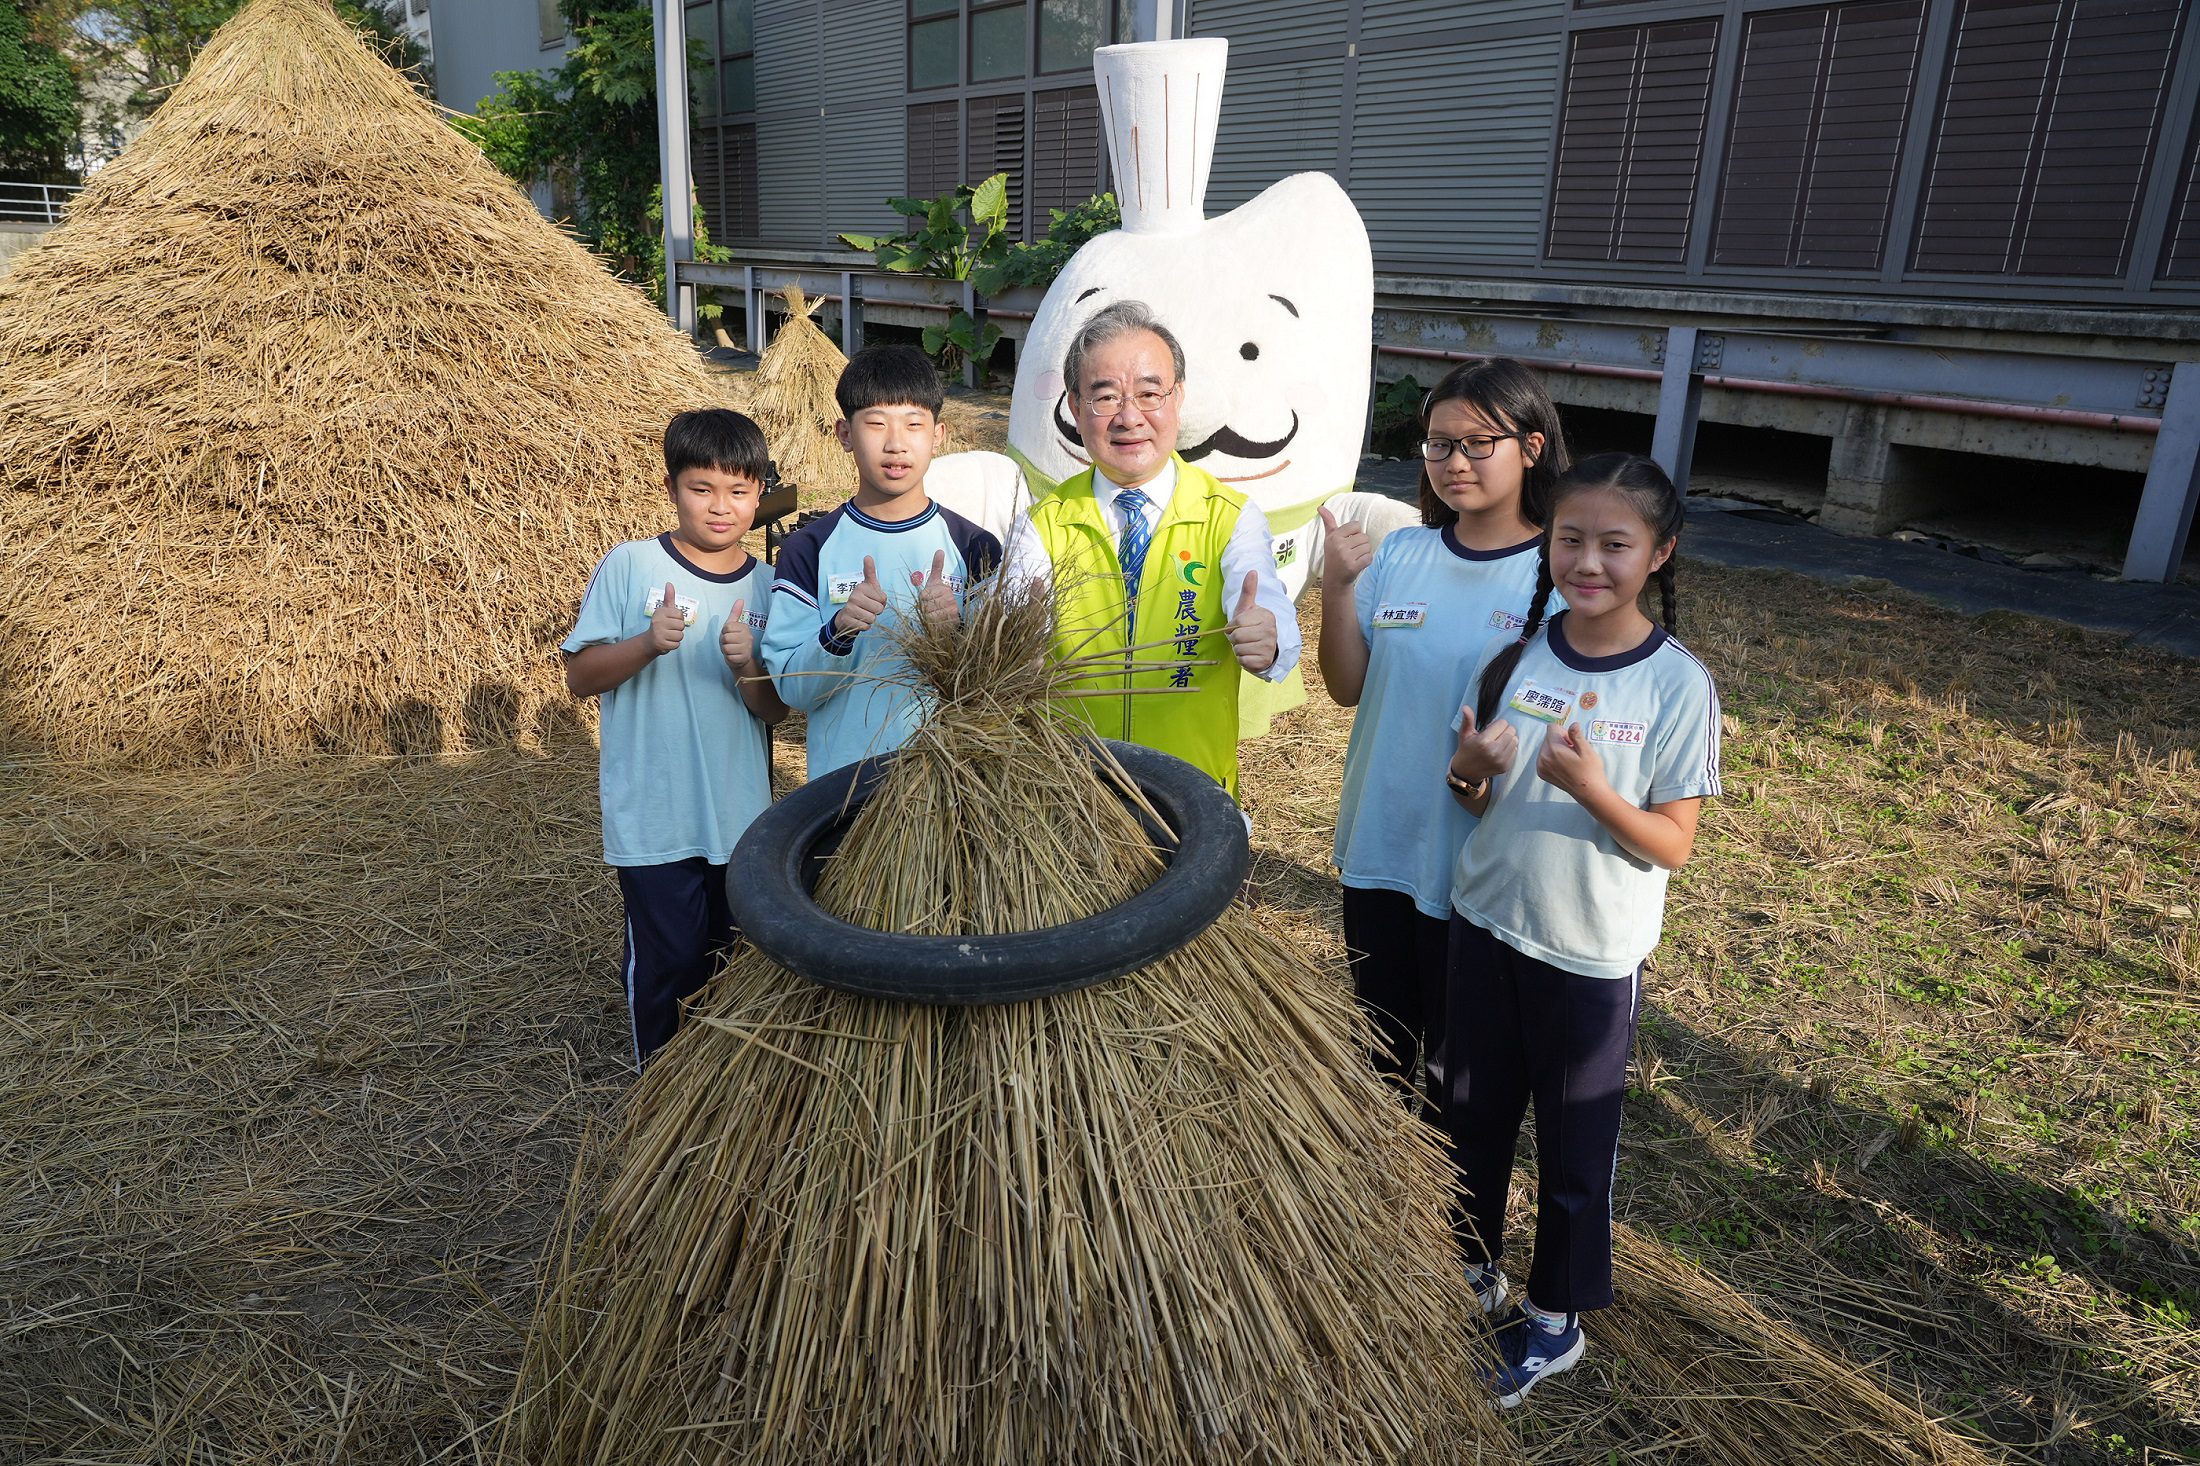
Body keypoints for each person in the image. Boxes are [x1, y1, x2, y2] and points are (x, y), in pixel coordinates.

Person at [1441, 452, 1721, 1405]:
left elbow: (1673, 844)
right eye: (1570, 539)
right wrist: (1470, 768)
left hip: (1588, 957)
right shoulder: (1520, 653)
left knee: (1571, 1151)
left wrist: (1595, 790)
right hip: (1485, 924)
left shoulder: (1678, 687)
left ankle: (1554, 1322)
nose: (1588, 561)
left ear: (1660, 553)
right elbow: (1473, 793)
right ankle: (1467, 1272)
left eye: (1615, 543)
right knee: (1468, 1116)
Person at [1318, 359, 1568, 1095]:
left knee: (1459, 1079)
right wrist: (1337, 587)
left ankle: (1450, 1209)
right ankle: (1381, 1198)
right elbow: (1346, 687)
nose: (1454, 462)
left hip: (1479, 858)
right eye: (1437, 444)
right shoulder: (1403, 552)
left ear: (1531, 446)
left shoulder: (1557, 574)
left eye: (1477, 443)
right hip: (1381, 840)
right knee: (1381, 1058)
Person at [561, 407, 788, 1069]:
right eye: (702, 488)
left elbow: (774, 712)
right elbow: (580, 676)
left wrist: (748, 663)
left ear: (759, 495)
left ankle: (717, 1091)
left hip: (740, 817)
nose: (721, 507)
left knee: (735, 960)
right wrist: (646, 644)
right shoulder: (632, 567)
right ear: (671, 488)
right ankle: (657, 1087)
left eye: (739, 491)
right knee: (669, 961)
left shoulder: (769, 586)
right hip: (655, 817)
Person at [1000, 299, 1300, 800]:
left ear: (1177, 397)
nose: (1129, 416)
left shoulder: (1228, 516)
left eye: (1149, 393)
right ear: (1075, 408)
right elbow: (1015, 620)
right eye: (1106, 397)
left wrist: (1266, 638)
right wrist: (1013, 643)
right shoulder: (1042, 524)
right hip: (1071, 797)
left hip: (1192, 796)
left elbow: (1261, 597)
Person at [760, 344, 1001, 777]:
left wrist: (955, 633)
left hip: (952, 791)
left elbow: (995, 686)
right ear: (845, 434)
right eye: (875, 425)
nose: (895, 444)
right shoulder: (809, 549)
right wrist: (839, 632)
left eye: (913, 425)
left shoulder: (976, 547)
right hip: (844, 790)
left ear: (938, 435)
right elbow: (791, 689)